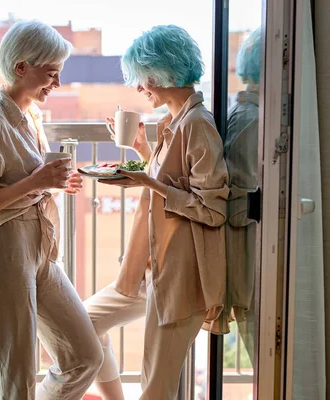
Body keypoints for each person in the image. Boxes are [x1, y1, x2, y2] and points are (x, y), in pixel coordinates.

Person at [0, 19, 103, 400]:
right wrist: (36, 183)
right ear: (22, 68)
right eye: (51, 73)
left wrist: (53, 183)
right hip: (1, 254)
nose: (56, 83)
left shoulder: (31, 115)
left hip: (38, 251)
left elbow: (25, 180)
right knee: (16, 378)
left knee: (85, 355)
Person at [81, 25, 230, 400]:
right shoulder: (175, 122)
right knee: (82, 323)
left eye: (141, 78)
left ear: (163, 73)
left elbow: (212, 209)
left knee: (154, 391)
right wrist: (142, 151)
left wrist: (147, 183)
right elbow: (174, 181)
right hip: (148, 272)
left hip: (179, 280)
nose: (138, 88)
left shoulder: (198, 125)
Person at [224, 27, 262, 363]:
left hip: (253, 252)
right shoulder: (251, 120)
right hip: (249, 256)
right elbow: (238, 204)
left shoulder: (254, 116)